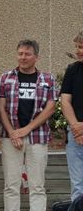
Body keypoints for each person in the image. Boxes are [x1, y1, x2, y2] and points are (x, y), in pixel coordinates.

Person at [0, 39, 57, 211]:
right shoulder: (6, 78)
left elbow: (51, 107)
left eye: (27, 54)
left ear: (36, 57)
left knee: (37, 186)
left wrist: (25, 130)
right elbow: (0, 108)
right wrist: (12, 133)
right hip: (11, 139)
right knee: (11, 185)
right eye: (20, 53)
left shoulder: (47, 79)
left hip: (37, 137)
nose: (23, 57)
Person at [61, 31, 83, 204]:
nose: (78, 51)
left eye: (81, 47)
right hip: (75, 135)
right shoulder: (72, 69)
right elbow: (65, 101)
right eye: (77, 47)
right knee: (78, 185)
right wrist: (76, 127)